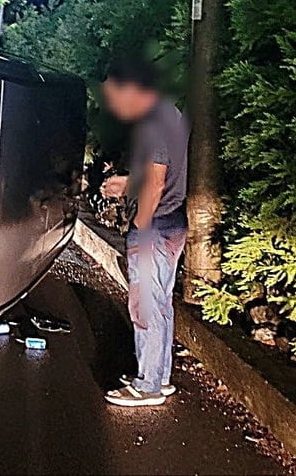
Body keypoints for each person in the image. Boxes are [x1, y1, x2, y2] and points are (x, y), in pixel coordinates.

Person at [98, 59, 189, 407]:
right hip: (173, 221)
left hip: (157, 226)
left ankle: (147, 385)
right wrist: (127, 184)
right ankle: (159, 375)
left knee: (146, 306)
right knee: (161, 303)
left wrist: (140, 227)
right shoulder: (171, 115)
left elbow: (156, 178)